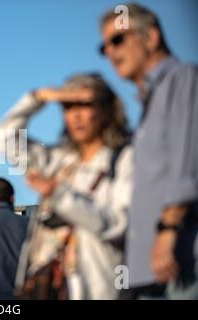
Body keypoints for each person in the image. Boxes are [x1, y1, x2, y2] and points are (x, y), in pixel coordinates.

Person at [0, 73, 133, 299]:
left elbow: (119, 225)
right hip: (47, 284)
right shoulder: (60, 160)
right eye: (68, 106)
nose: (76, 115)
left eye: (84, 105)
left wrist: (59, 195)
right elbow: (4, 138)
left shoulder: (124, 158)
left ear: (106, 109)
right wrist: (37, 98)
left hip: (98, 285)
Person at [99, 3, 198, 299]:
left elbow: (189, 166)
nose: (110, 52)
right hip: (147, 272)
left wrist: (167, 232)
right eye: (103, 46)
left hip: (180, 262)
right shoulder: (148, 105)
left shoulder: (183, 79)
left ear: (151, 38)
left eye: (117, 39)